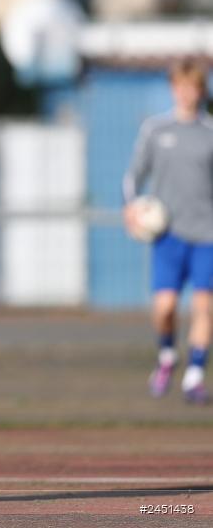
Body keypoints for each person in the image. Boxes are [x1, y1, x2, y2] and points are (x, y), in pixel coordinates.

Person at [123, 59, 213, 404]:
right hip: (167, 237)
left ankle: (194, 376)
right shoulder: (156, 131)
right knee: (165, 308)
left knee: (203, 309)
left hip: (206, 235)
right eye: (181, 86)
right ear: (174, 88)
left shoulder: (209, 133)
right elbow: (132, 176)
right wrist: (132, 207)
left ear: (201, 90)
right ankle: (167, 357)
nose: (187, 93)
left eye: (193, 86)